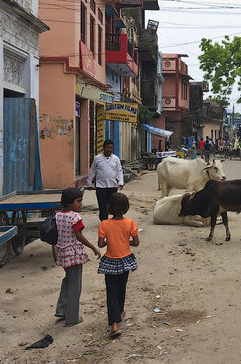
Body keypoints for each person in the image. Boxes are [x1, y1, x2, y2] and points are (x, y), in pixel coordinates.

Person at [54, 188, 101, 327]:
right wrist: (93, 247)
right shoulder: (75, 217)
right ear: (69, 203)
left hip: (63, 253)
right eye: (78, 201)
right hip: (74, 254)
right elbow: (79, 236)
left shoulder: (57, 215)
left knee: (67, 280)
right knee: (75, 285)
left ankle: (61, 309)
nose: (80, 204)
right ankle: (72, 317)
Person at [97, 193, 139, 336]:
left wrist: (110, 241)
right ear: (126, 207)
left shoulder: (104, 224)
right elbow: (136, 242)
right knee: (122, 288)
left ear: (109, 207)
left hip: (109, 261)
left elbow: (100, 244)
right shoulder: (130, 223)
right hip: (125, 261)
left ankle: (114, 324)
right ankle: (120, 312)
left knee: (111, 291)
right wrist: (125, 241)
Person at [88, 140, 124, 222]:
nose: (110, 150)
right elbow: (92, 171)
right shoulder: (97, 158)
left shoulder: (116, 159)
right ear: (103, 148)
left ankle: (114, 221)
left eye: (111, 148)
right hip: (101, 186)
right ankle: (104, 221)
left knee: (113, 204)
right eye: (108, 148)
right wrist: (89, 183)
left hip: (112, 186)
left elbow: (119, 171)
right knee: (102, 205)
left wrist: (121, 182)